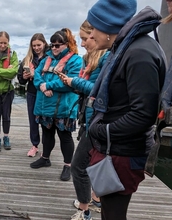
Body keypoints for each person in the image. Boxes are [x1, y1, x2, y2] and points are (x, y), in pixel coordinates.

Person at [86, 1, 166, 219]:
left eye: (93, 27)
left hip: (123, 153)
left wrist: (101, 131)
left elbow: (144, 115)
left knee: (113, 214)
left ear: (108, 25)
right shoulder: (127, 47)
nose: (91, 34)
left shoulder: (139, 52)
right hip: (114, 149)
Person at [59, 20, 109, 220]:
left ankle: (84, 209)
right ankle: (96, 198)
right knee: (93, 163)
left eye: (83, 39)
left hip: (96, 121)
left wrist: (73, 81)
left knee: (78, 165)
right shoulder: (90, 60)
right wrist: (73, 84)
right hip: (90, 119)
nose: (81, 44)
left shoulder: (106, 58)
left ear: (94, 34)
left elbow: (99, 90)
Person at [30, 28, 82, 182]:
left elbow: (71, 81)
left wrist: (49, 85)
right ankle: (45, 158)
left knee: (65, 136)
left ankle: (68, 165)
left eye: (58, 45)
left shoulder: (76, 60)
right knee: (46, 133)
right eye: (52, 45)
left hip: (63, 107)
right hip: (45, 105)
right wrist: (42, 86)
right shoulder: (46, 58)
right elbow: (37, 75)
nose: (54, 48)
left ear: (66, 44)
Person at [17, 33, 49, 157]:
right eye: (34, 45)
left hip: (45, 93)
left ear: (44, 44)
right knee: (33, 121)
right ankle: (34, 145)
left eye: (39, 45)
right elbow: (20, 80)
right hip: (32, 93)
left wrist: (35, 74)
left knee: (46, 122)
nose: (36, 48)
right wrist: (24, 77)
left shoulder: (50, 58)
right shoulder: (27, 59)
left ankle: (46, 148)